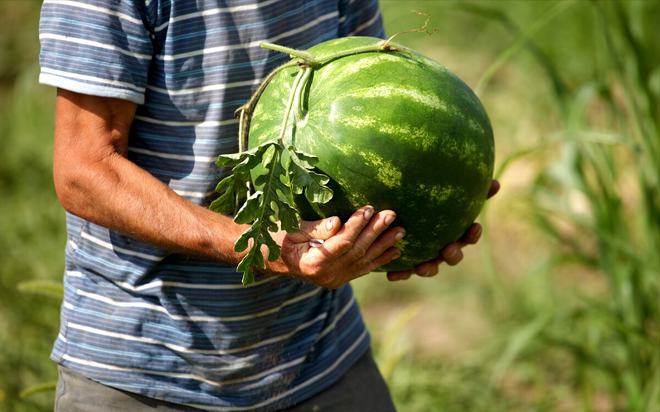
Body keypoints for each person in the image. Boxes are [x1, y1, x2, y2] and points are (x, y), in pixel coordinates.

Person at [40, 0, 499, 410]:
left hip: (320, 358)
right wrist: (267, 249)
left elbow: (381, 85)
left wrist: (421, 211)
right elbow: (85, 171)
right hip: (147, 372)